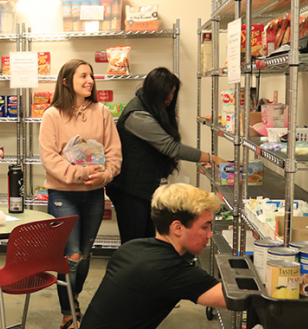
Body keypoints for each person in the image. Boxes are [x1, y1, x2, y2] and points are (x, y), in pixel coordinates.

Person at [39, 59, 122, 329]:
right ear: (66, 82)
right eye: (83, 76)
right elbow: (50, 158)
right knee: (71, 255)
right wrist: (82, 174)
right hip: (63, 195)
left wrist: (106, 174)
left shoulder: (103, 112)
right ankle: (67, 312)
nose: (90, 81)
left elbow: (114, 153)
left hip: (95, 195)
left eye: (91, 76)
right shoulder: (52, 115)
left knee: (85, 254)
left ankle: (73, 298)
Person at [80, 183, 227, 329]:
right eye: (204, 227)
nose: (210, 234)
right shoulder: (168, 270)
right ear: (178, 228)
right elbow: (236, 298)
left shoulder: (132, 247)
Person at [105, 67, 225, 244]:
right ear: (155, 92)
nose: (170, 99)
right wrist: (212, 158)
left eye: (173, 93)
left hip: (141, 187)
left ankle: (145, 271)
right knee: (134, 242)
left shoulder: (148, 107)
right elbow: (171, 148)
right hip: (129, 189)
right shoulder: (137, 116)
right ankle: (133, 272)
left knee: (145, 239)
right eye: (167, 94)